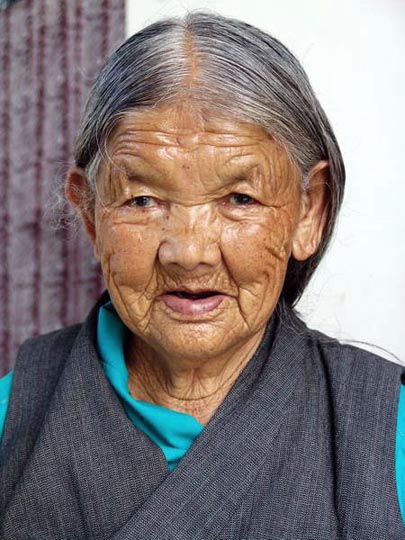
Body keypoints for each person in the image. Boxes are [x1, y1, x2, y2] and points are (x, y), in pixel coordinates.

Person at [0, 11, 404, 539]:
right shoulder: (12, 416)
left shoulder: (386, 430)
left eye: (240, 198)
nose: (189, 253)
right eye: (142, 199)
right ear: (91, 215)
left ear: (309, 212)